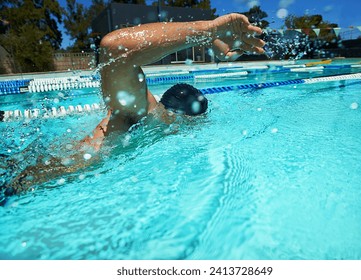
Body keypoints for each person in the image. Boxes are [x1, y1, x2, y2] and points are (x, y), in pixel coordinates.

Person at [1, 13, 265, 201]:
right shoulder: (153, 118)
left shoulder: (142, 118)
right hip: (18, 185)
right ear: (186, 117)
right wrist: (208, 31)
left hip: (22, 177)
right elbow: (114, 46)